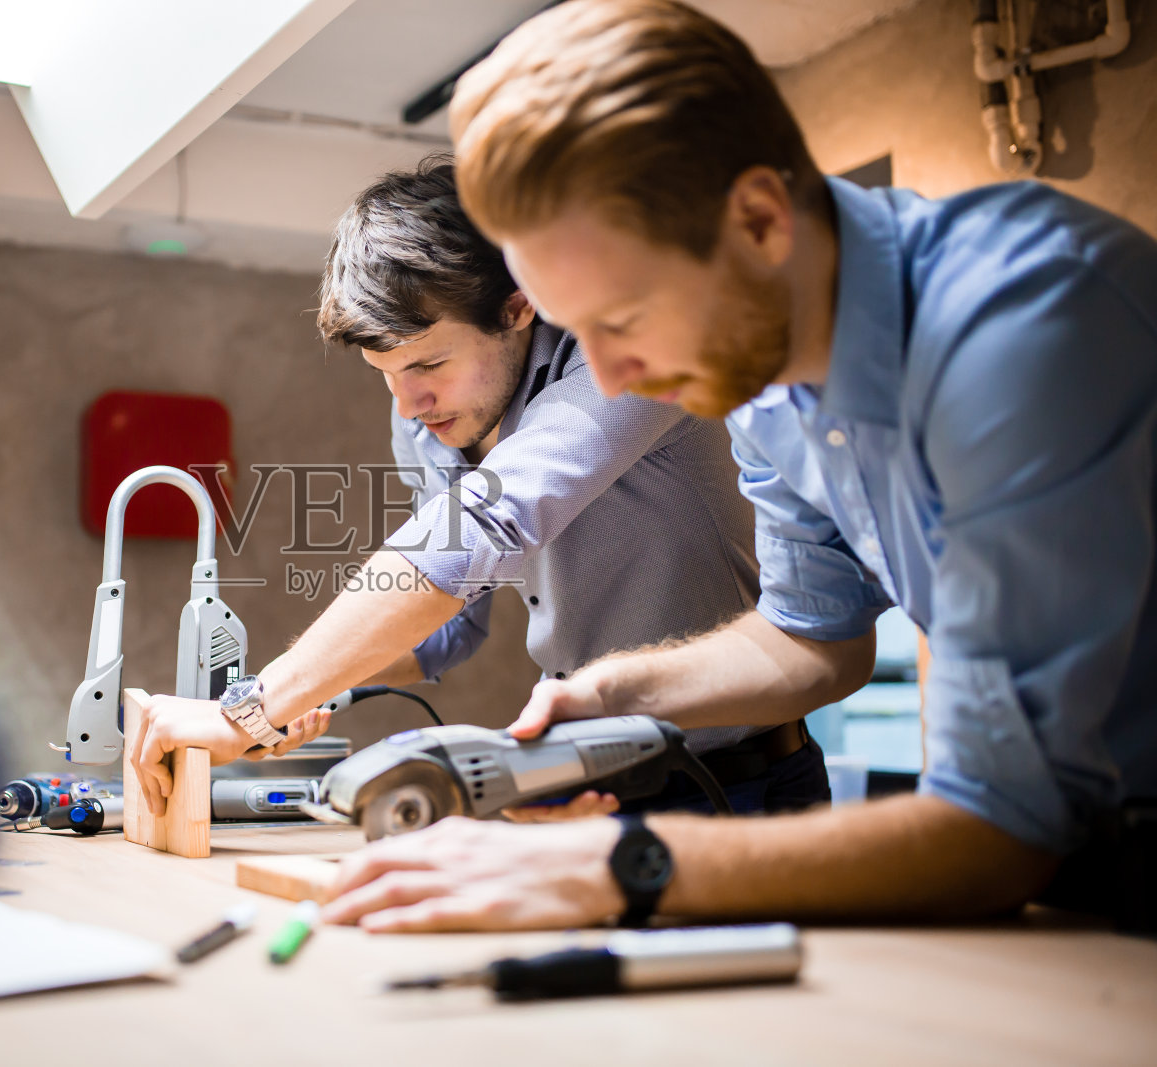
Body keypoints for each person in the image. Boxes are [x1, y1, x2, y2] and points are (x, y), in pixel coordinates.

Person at [320, 0, 1157, 932]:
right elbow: (811, 640)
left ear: (759, 219)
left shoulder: (1022, 329)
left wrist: (619, 863)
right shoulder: (766, 381)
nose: (605, 376)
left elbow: (1001, 826)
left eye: (623, 318)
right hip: (1072, 881)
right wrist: (610, 694)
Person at [127, 157, 826, 817]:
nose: (408, 404)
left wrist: (247, 708)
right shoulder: (431, 415)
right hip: (584, 780)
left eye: (429, 363)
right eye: (386, 373)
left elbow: (483, 526)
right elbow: (454, 619)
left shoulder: (629, 364)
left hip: (743, 782)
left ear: (518, 307)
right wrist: (313, 692)